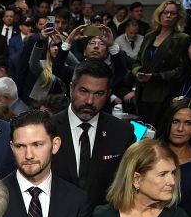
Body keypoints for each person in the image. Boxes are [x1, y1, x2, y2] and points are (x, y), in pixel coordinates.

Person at [50, 60, 138, 204]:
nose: (90, 101)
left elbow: (128, 185)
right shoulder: (47, 128)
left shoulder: (123, 133)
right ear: (71, 88)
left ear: (108, 94)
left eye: (99, 94)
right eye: (84, 91)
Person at [131, 0, 188, 124]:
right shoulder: (149, 36)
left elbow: (181, 69)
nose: (168, 16)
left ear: (178, 17)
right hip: (142, 92)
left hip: (163, 94)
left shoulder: (182, 39)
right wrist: (138, 72)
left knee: (156, 132)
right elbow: (137, 61)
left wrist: (154, 77)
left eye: (172, 13)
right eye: (165, 12)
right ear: (159, 14)